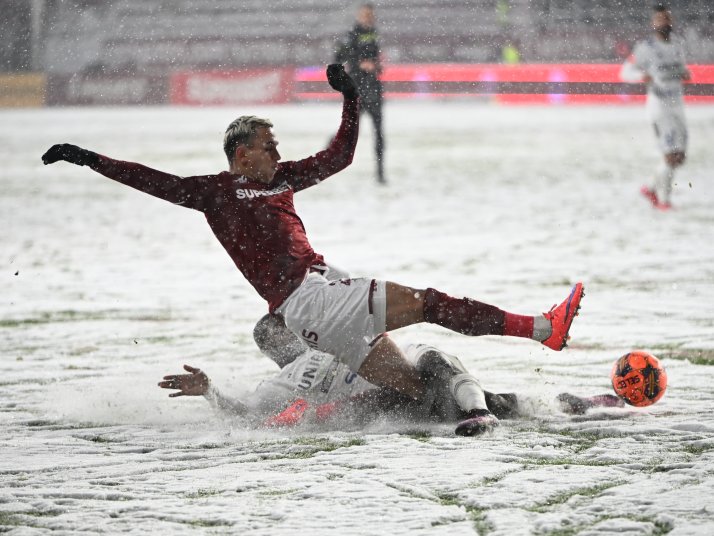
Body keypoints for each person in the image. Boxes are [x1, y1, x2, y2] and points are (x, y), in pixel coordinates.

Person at [42, 63, 584, 413]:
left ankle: (488, 409)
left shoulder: (280, 179)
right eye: (268, 145)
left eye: (276, 146)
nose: (277, 153)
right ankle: (543, 329)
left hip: (317, 309)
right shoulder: (212, 192)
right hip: (313, 301)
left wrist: (350, 98)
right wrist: (87, 157)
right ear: (241, 153)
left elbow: (340, 156)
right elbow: (148, 178)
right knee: (431, 304)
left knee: (415, 392)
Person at [158, 314, 623, 436]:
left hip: (418, 379)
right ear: (281, 341)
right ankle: (568, 404)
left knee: (437, 366)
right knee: (467, 395)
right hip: (390, 403)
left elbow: (407, 345)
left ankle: (488, 413)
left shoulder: (341, 331)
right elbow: (246, 417)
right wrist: (210, 392)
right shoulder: (281, 382)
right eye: (288, 325)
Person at [620, 3, 691, 211]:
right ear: (653, 23)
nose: (664, 22)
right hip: (659, 106)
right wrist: (641, 76)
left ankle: (650, 188)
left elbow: (679, 69)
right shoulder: (646, 48)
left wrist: (684, 74)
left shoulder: (677, 44)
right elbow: (624, 72)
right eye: (660, 19)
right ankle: (664, 201)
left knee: (680, 157)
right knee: (669, 155)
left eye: (667, 18)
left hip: (677, 104)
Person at [335, 2, 386, 184]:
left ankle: (380, 174)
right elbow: (338, 57)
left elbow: (374, 57)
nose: (368, 18)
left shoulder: (373, 33)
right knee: (348, 131)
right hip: (357, 88)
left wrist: (376, 65)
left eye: (370, 15)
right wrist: (359, 64)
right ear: (359, 16)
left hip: (374, 87)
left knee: (379, 131)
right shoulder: (352, 35)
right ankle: (324, 162)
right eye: (365, 15)